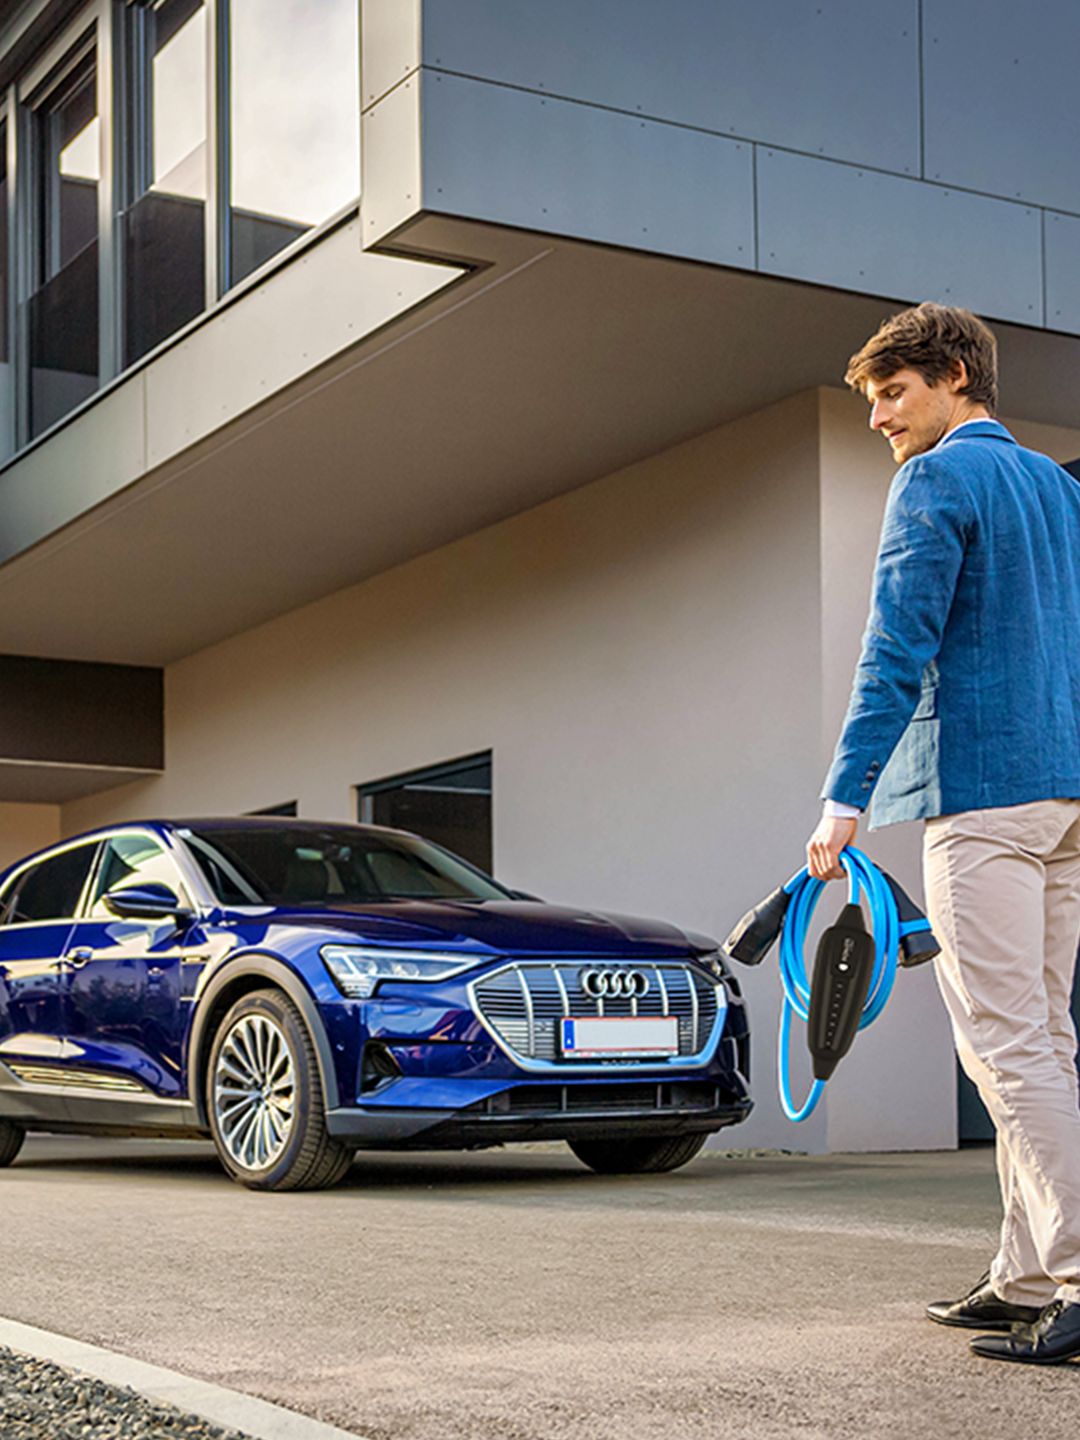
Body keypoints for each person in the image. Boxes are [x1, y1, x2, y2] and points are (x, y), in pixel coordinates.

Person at [806, 302, 1080, 1364]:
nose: (879, 418)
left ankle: (1070, 1271)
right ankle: (1022, 1276)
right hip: (1063, 801)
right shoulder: (1062, 488)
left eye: (893, 393)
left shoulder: (934, 480)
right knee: (1043, 1037)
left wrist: (843, 797)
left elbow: (895, 647)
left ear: (956, 375)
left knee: (1006, 1046)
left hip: (983, 799)